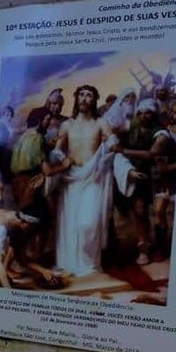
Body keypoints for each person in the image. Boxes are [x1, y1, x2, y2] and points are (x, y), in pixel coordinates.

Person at [45, 85, 139, 277]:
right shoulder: (67, 125)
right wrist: (56, 162)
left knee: (88, 223)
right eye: (81, 95)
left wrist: (126, 168)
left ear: (94, 100)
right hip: (70, 180)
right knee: (70, 225)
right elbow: (57, 151)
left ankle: (89, 265)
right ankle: (69, 264)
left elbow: (113, 148)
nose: (84, 98)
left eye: (89, 95)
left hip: (94, 177)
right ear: (76, 98)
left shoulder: (101, 123)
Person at [113, 98, 159, 265]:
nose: (143, 116)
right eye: (140, 112)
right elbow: (114, 135)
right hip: (124, 171)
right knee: (121, 210)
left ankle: (143, 249)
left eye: (148, 113)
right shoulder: (131, 128)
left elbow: (151, 154)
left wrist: (124, 150)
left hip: (143, 174)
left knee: (140, 211)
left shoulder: (157, 132)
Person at [0, 208, 65, 289]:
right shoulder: (0, 228)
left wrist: (44, 271)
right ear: (23, 222)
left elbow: (21, 258)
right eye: (29, 228)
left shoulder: (15, 218)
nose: (27, 232)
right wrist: (8, 292)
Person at [149, 100, 176, 258]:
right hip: (167, 180)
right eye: (174, 111)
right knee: (159, 211)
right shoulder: (165, 133)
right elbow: (156, 152)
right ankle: (160, 248)